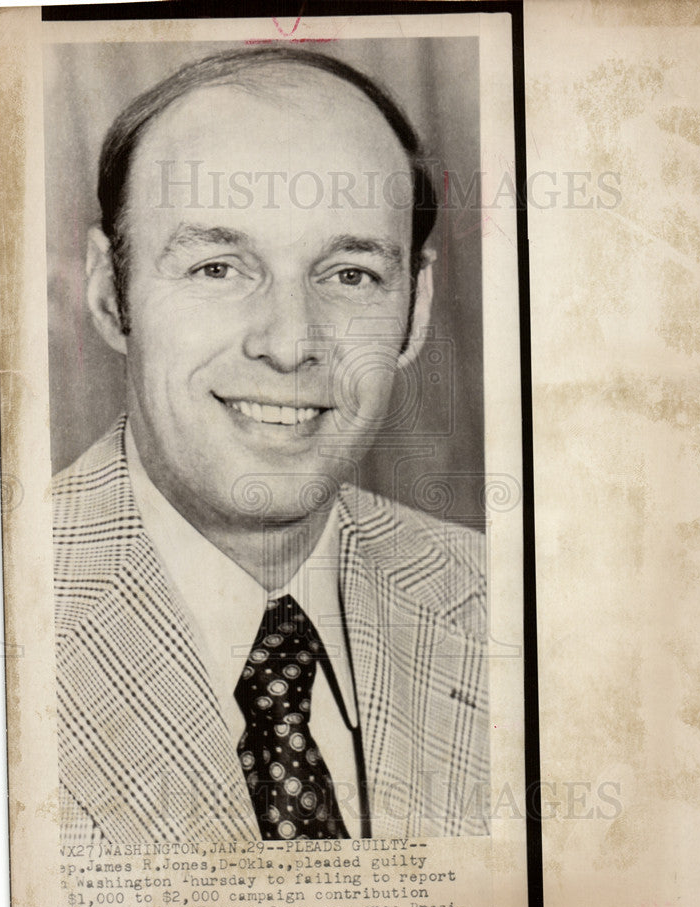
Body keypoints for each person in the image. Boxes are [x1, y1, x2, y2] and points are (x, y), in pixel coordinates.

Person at [54, 46, 489, 843]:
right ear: (111, 296)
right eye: (219, 266)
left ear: (416, 310)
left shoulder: (517, 608)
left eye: (349, 274)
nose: (291, 345)